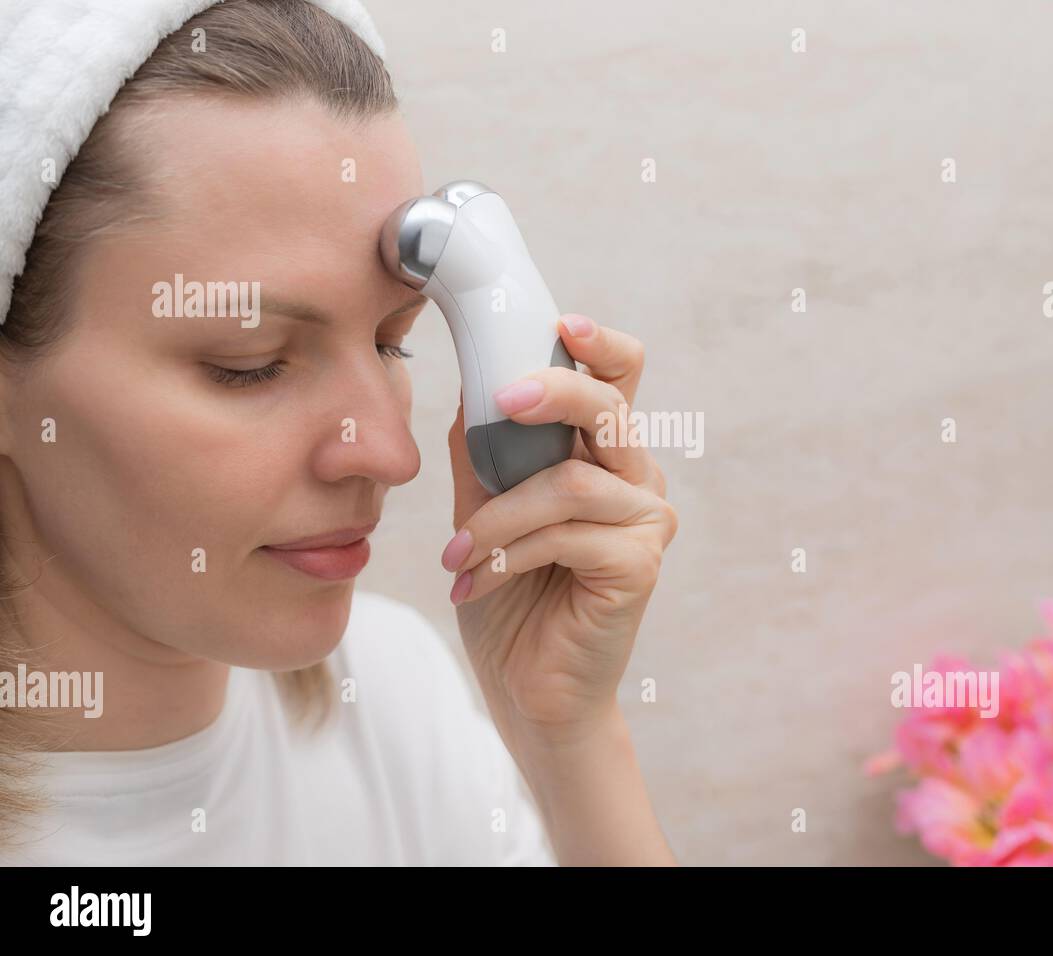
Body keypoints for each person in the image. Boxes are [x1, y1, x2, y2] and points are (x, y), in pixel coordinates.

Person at [0, 0, 677, 865]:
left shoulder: (395, 693)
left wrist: (567, 742)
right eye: (250, 364)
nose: (393, 457)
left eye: (393, 342)